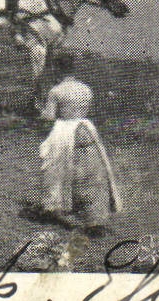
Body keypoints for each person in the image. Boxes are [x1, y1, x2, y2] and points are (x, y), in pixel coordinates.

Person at [39, 50, 123, 231]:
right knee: (89, 171)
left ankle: (62, 207)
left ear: (56, 68)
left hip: (65, 131)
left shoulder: (56, 91)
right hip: (86, 128)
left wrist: (41, 111)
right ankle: (90, 213)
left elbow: (49, 117)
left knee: (59, 169)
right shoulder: (86, 89)